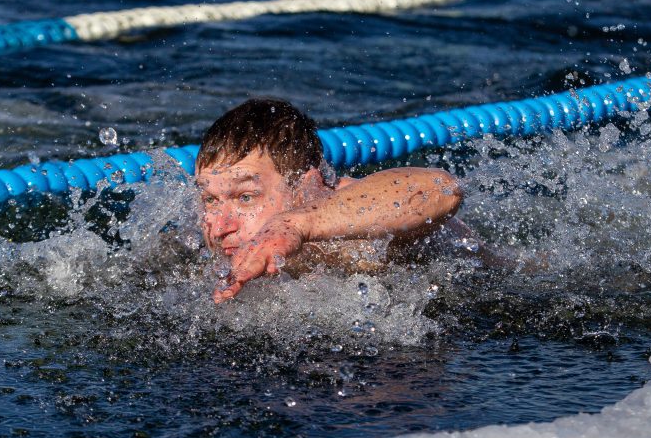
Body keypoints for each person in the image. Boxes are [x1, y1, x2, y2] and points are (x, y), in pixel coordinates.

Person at [195, 98, 464, 303]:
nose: (220, 228)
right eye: (210, 199)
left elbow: (442, 188)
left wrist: (294, 224)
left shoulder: (362, 232)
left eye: (245, 197)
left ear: (308, 186)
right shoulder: (211, 242)